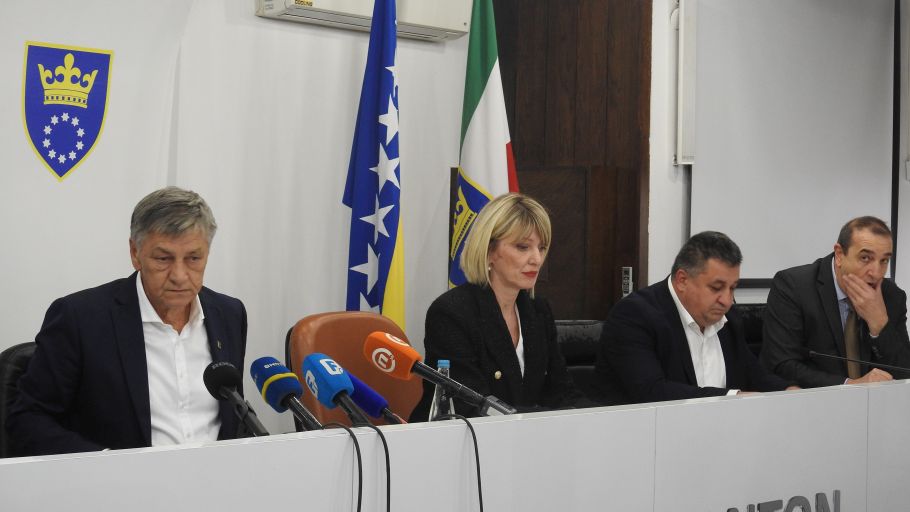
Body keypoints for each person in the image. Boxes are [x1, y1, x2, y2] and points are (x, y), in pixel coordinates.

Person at [7, 187, 248, 456]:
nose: (180, 275)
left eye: (193, 258)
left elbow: (233, 415)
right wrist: (108, 464)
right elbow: (27, 420)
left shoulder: (229, 314)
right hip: (116, 480)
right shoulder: (80, 319)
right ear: (135, 253)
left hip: (215, 476)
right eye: (163, 259)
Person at [410, 193, 583, 420]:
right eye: (523, 247)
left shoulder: (538, 311)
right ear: (489, 251)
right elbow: (470, 408)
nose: (537, 259)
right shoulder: (452, 313)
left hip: (527, 436)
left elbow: (562, 393)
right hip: (462, 438)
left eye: (541, 248)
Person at [596, 231, 794, 404]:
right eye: (716, 288)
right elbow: (652, 392)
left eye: (733, 288)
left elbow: (752, 372)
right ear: (682, 280)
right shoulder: (634, 316)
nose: (726, 300)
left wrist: (788, 391)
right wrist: (732, 398)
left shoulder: (728, 317)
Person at [760, 216, 910, 387]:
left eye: (884, 261)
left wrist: (880, 324)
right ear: (839, 255)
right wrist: (850, 385)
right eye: (865, 258)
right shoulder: (793, 287)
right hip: (815, 400)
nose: (876, 273)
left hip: (876, 402)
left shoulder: (892, 296)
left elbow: (905, 374)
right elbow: (782, 364)